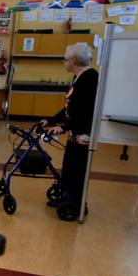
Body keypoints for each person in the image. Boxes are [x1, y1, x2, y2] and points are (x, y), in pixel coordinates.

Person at [41, 43, 98, 212]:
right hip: (75, 131)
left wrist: (63, 128)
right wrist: (52, 120)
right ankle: (67, 198)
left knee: (77, 170)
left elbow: (86, 112)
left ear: (73, 61)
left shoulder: (90, 78)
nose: (64, 63)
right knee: (69, 167)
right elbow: (70, 107)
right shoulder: (79, 77)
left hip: (83, 134)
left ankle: (76, 205)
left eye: (65, 60)